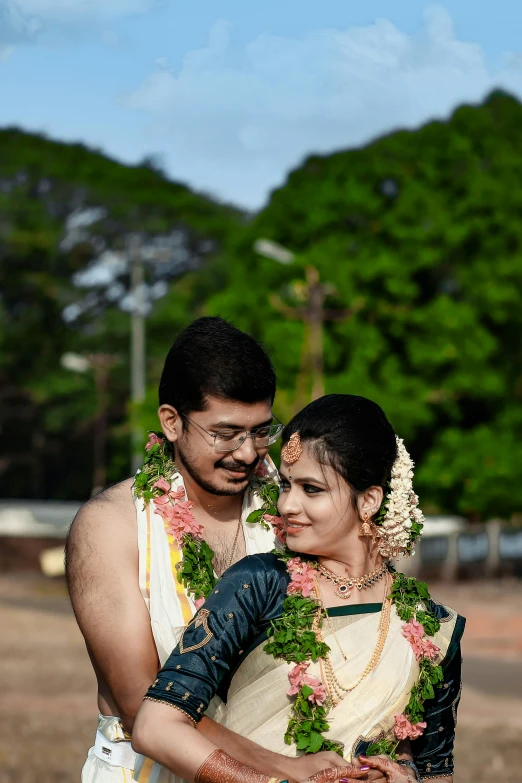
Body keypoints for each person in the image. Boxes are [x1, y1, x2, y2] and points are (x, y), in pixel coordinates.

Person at [132, 394, 465, 783]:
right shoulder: (258, 582)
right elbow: (156, 726)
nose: (287, 504)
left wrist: (404, 775)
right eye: (287, 485)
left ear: (370, 500)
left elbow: (436, 770)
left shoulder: (429, 626)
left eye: (311, 489)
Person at [67, 317, 319, 783]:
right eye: (225, 434)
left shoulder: (292, 510)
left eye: (262, 431)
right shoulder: (111, 527)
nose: (247, 453)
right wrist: (284, 773)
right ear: (171, 422)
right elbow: (142, 703)